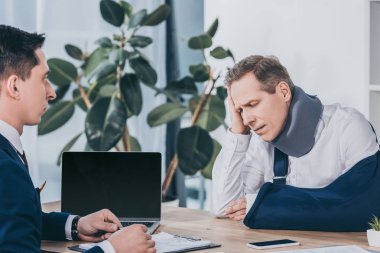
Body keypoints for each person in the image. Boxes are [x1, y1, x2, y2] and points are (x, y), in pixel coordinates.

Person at [0, 25, 156, 253]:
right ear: (15, 86)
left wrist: (75, 225)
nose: (51, 92)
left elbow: (12, 220)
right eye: (44, 79)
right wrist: (112, 250)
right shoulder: (6, 169)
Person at [212, 55, 380, 231]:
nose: (246, 119)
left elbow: (362, 206)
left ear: (283, 92)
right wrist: (239, 133)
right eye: (240, 110)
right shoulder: (261, 142)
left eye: (252, 104)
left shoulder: (348, 126)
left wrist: (268, 205)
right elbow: (227, 208)